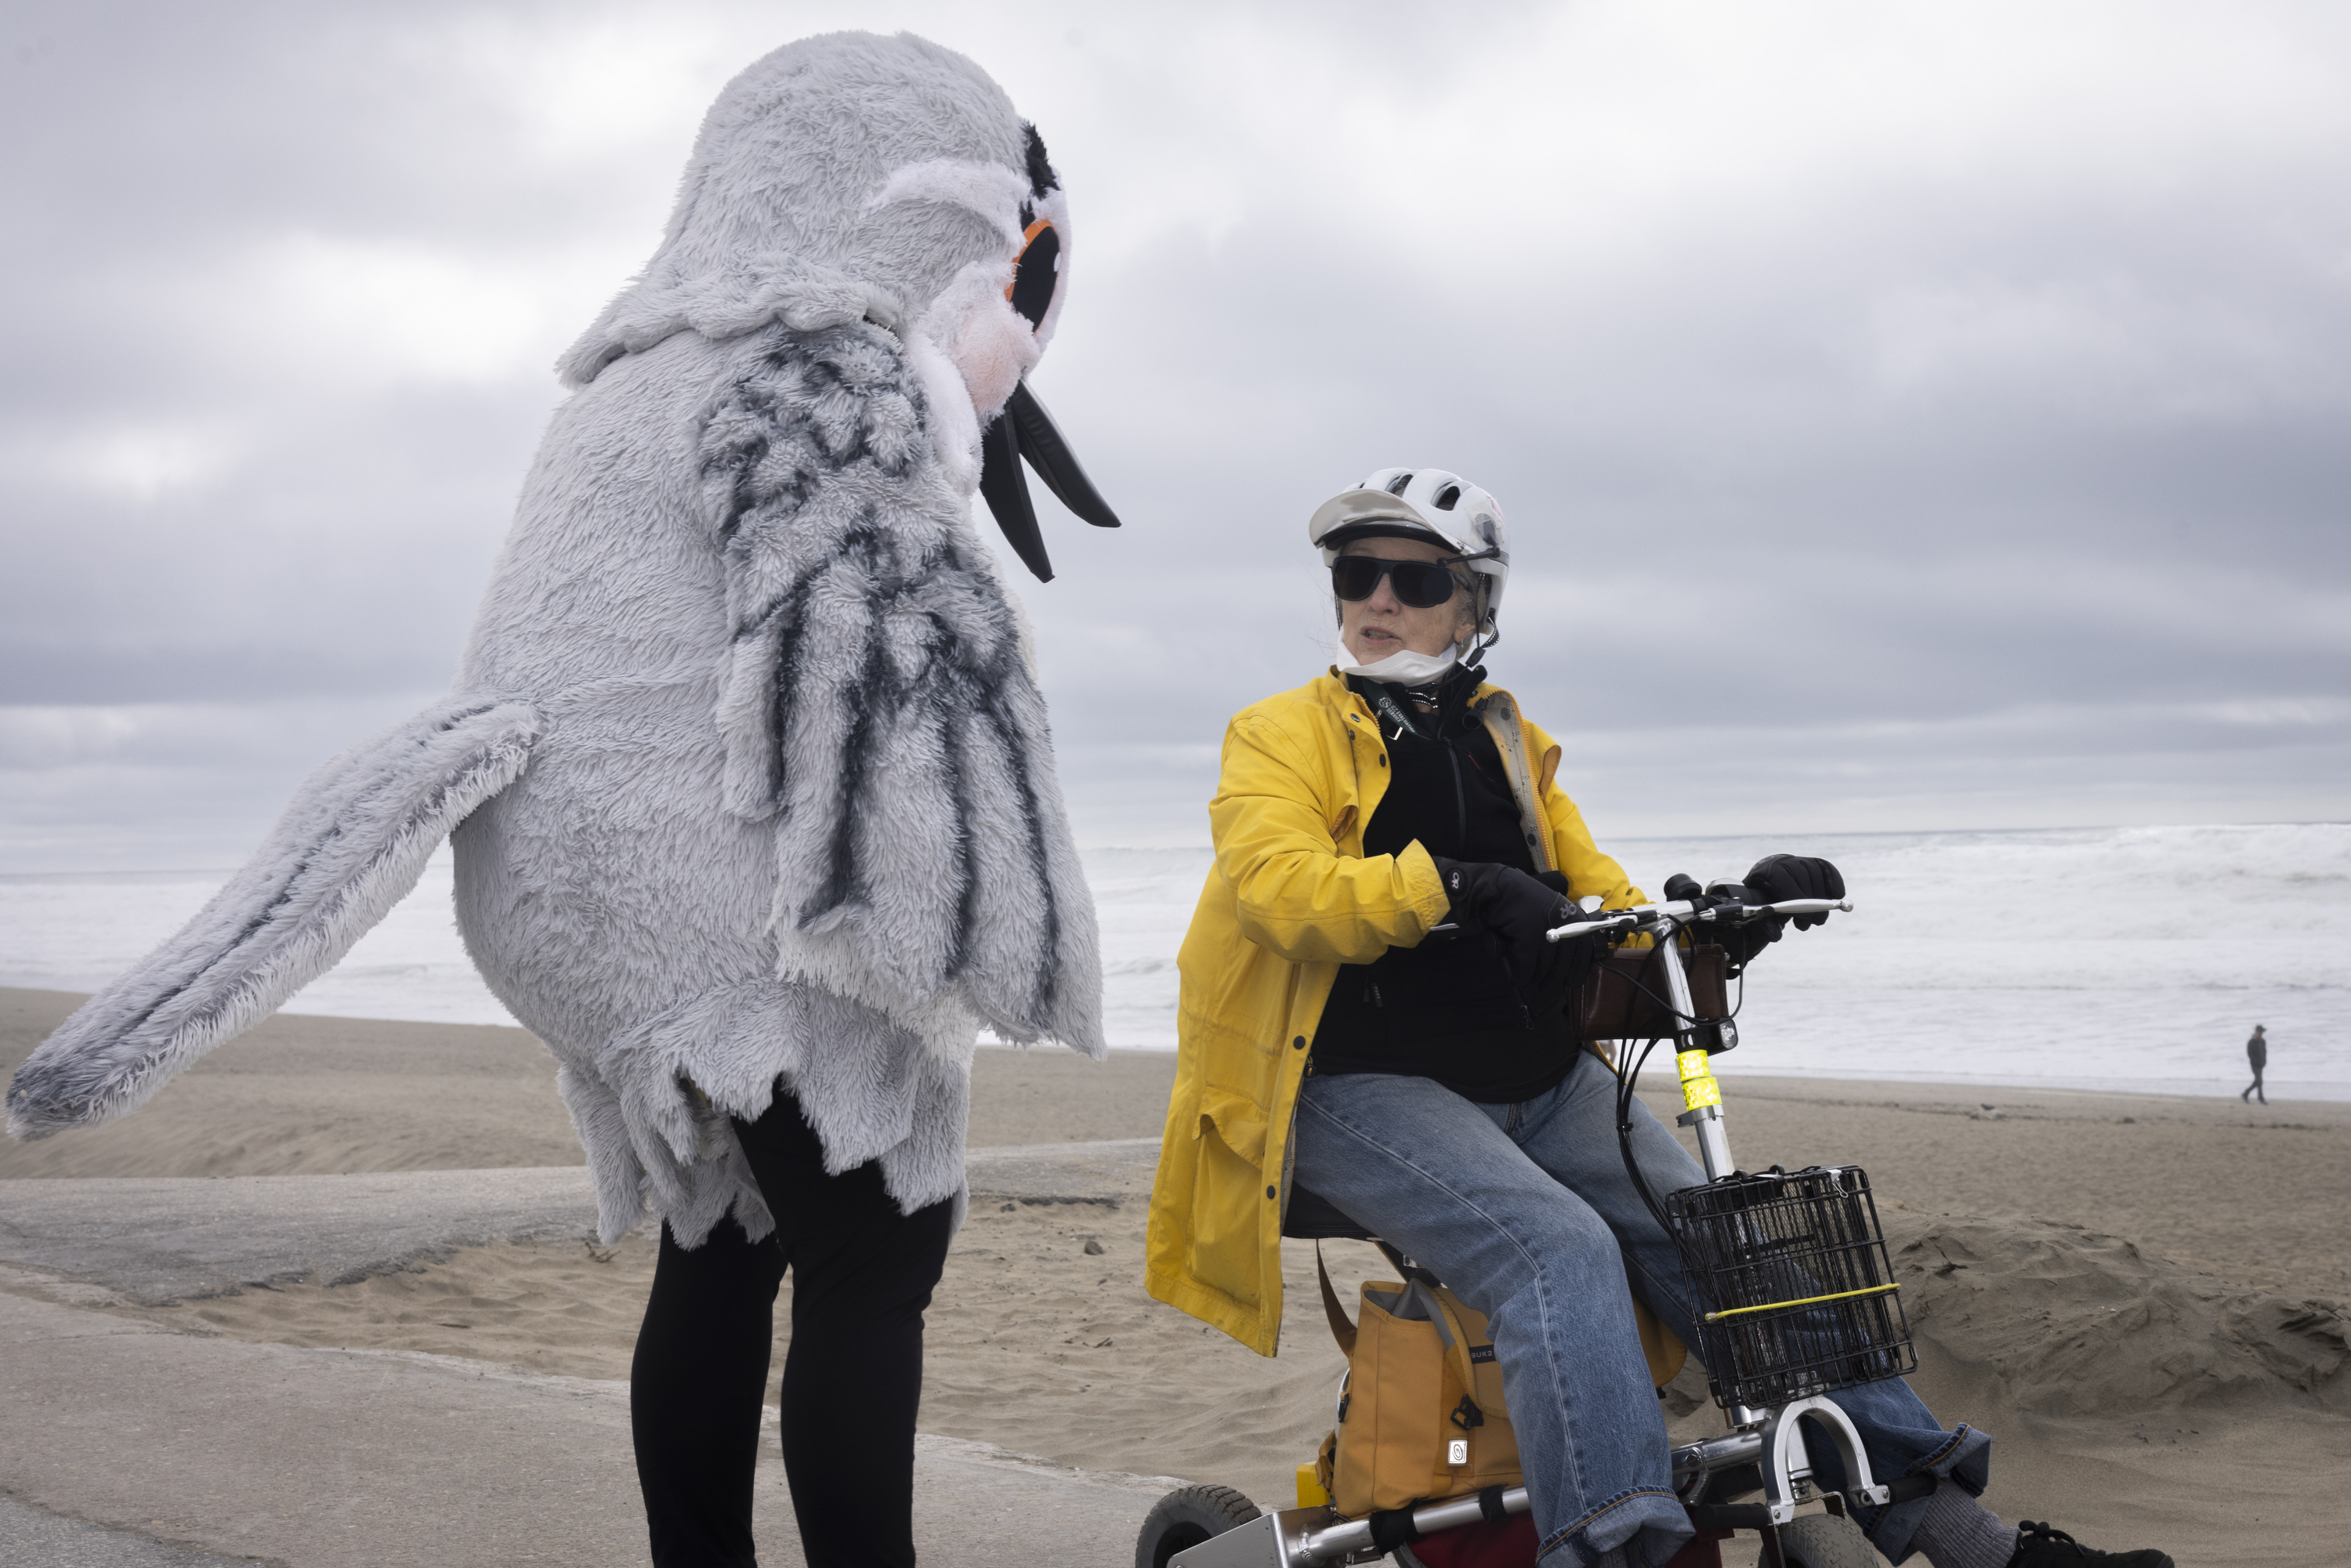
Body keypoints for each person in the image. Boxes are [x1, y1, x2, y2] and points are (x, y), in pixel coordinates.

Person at [1143, 470, 2172, 1568]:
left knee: (1734, 1247)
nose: (1380, 598)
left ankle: (1966, 1538)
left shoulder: (1510, 742)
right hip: (1352, 1082)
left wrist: (1732, 917)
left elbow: (1604, 914)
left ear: (1474, 603)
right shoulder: (1277, 733)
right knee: (1559, 1253)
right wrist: (1459, 886)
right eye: (1360, 572)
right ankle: (1618, 1547)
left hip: (1535, 1079)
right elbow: (1276, 887)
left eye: (1416, 577)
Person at [2242, 1024, 2269, 1104]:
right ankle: (2260, 1099)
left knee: (2258, 1081)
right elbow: (2250, 1054)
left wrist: (2264, 1062)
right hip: (2254, 1065)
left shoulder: (2262, 1041)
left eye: (2261, 1033)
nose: (2260, 1034)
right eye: (2259, 1032)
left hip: (2261, 1064)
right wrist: (2256, 1062)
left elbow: (2264, 1052)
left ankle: (2246, 1094)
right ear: (2256, 1032)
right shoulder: (2251, 1042)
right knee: (2259, 1081)